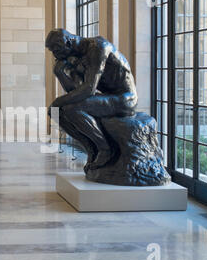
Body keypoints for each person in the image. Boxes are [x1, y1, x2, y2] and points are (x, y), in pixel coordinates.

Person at [45, 29, 138, 171]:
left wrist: (59, 100)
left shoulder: (97, 47)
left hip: (125, 98)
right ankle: (90, 147)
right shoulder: (76, 57)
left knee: (71, 108)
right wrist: (60, 74)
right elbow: (75, 91)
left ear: (68, 42)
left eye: (56, 50)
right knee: (56, 111)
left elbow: (88, 89)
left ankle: (106, 149)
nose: (55, 55)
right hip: (107, 97)